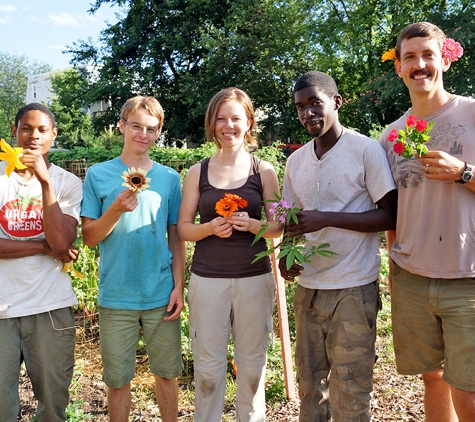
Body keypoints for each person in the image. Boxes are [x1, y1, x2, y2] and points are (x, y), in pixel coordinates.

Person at [279, 71, 397, 421]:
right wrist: (288, 253)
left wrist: (326, 218)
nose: (307, 113)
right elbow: (292, 219)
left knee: (351, 390)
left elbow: (390, 215)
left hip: (353, 288)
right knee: (311, 390)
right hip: (309, 291)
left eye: (315, 102)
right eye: (300, 107)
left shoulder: (364, 150)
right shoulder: (295, 161)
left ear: (336, 102)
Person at [379, 22, 475, 421]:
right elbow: (392, 207)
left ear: (444, 60)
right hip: (412, 276)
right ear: (399, 68)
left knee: (469, 392)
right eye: (410, 57)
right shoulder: (390, 136)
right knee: (432, 377)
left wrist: (464, 172)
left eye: (428, 55)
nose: (420, 65)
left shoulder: (472, 113)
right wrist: (392, 260)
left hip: (466, 275)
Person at [177, 87, 282, 422]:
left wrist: (253, 225)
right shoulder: (198, 171)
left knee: (252, 369)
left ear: (248, 122)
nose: (228, 125)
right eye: (221, 119)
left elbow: (278, 226)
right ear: (212, 124)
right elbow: (183, 229)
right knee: (208, 371)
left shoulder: (263, 170)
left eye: (236, 118)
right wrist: (209, 228)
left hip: (254, 279)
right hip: (207, 281)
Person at [81, 96, 185, 422]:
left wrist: (179, 286)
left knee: (168, 374)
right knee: (117, 380)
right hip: (117, 295)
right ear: (122, 126)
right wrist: (114, 209)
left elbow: (176, 237)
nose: (143, 134)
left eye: (151, 129)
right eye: (136, 126)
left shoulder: (169, 179)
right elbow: (89, 238)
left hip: (160, 294)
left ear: (159, 133)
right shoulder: (98, 175)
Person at [0, 103, 83, 421]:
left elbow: (62, 243)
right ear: (14, 132)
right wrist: (41, 247)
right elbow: (52, 246)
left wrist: (45, 182)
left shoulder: (66, 184)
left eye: (42, 129)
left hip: (49, 308)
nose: (33, 136)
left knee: (52, 405)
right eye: (26, 128)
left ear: (53, 136)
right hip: (2, 309)